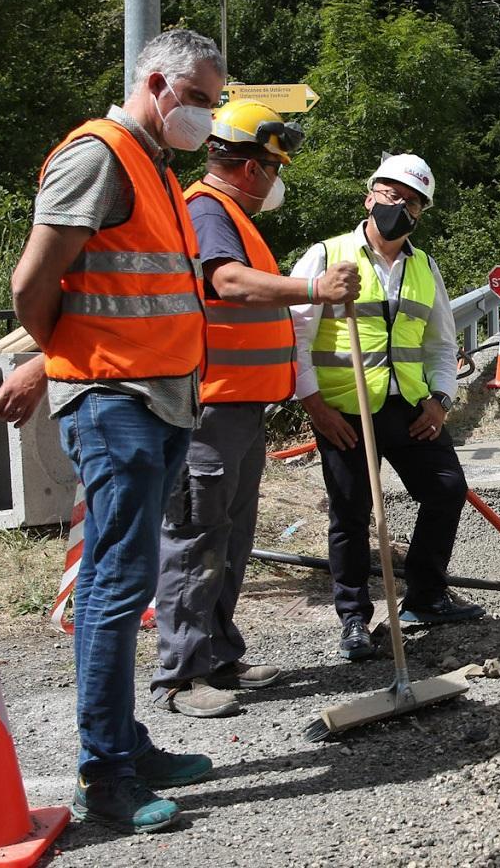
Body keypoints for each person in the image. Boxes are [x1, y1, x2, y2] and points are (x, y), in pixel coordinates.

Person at [0, 29, 224, 834]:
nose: (204, 117)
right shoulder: (100, 156)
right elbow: (33, 283)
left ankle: (124, 742)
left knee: (125, 582)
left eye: (212, 103)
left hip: (157, 399)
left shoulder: (152, 166)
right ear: (157, 84)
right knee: (115, 586)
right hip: (114, 399)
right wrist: (62, 358)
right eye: (197, 100)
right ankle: (106, 772)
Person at [151, 99, 360, 718]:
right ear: (249, 167)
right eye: (273, 167)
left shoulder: (232, 216)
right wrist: (314, 287)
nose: (275, 180)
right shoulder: (209, 211)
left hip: (239, 411)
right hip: (210, 412)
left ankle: (218, 654)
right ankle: (181, 675)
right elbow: (227, 283)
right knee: (196, 539)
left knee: (230, 539)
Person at [290, 154, 481, 663]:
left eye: (411, 201)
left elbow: (441, 343)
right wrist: (314, 406)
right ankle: (354, 618)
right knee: (351, 513)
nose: (399, 206)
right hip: (343, 411)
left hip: (410, 408)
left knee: (446, 489)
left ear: (421, 212)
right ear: (369, 197)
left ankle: (426, 596)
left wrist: (440, 401)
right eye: (391, 194)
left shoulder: (424, 266)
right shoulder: (327, 255)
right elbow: (294, 336)